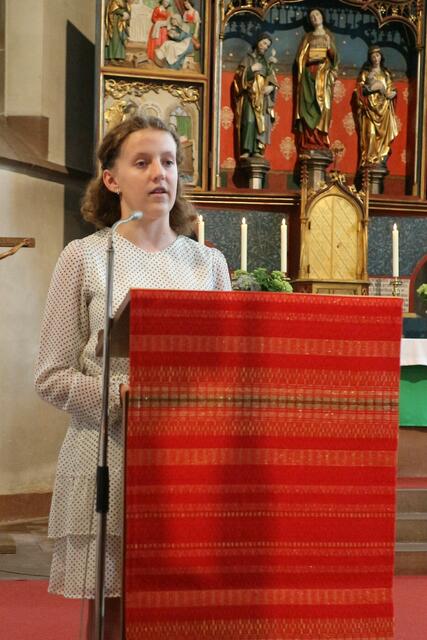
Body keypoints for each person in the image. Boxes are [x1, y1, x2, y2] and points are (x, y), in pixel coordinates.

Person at [34, 116, 231, 640]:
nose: (159, 173)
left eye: (168, 162)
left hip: (187, 458)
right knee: (116, 612)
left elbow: (226, 368)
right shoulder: (85, 257)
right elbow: (50, 375)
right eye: (142, 162)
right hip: (109, 451)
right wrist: (119, 396)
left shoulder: (208, 264)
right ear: (112, 179)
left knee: (184, 609)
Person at [294, 8, 338, 152]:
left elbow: (335, 59)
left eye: (317, 14)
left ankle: (320, 140)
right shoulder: (308, 37)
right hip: (308, 75)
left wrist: (329, 47)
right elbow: (300, 57)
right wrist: (309, 59)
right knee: (307, 105)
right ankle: (308, 141)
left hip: (323, 77)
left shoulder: (328, 35)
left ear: (322, 16)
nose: (315, 17)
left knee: (324, 106)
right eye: (312, 16)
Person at [233, 32, 278, 159]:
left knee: (262, 122)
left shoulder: (266, 63)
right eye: (264, 43)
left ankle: (258, 149)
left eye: (268, 46)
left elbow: (273, 80)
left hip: (262, 97)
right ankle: (247, 150)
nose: (265, 47)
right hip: (250, 95)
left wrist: (271, 87)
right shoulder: (247, 59)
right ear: (258, 42)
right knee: (249, 120)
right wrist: (251, 70)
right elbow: (238, 78)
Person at [355, 45, 398, 167]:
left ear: (381, 57)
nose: (375, 58)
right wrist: (372, 88)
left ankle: (380, 158)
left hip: (384, 109)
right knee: (370, 134)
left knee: (383, 136)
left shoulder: (386, 74)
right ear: (370, 58)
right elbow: (359, 90)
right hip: (369, 109)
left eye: (377, 55)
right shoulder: (366, 73)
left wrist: (393, 93)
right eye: (373, 56)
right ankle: (369, 160)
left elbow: (391, 89)